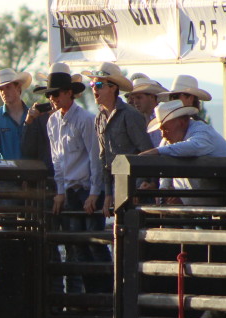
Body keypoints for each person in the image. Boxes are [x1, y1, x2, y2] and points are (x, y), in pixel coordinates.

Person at [44, 64, 107, 294]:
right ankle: (94, 296)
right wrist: (60, 191)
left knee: (95, 244)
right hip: (71, 191)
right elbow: (56, 160)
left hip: (86, 189)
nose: (53, 98)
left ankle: (105, 296)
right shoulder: (53, 122)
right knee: (79, 248)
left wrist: (94, 192)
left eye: (57, 93)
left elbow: (95, 157)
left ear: (69, 92)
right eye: (51, 95)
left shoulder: (86, 120)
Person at [139, 99, 226, 205]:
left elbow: (192, 146)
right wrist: (164, 193)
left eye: (166, 128)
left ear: (182, 122)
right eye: (161, 130)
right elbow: (166, 169)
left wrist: (156, 152)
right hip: (215, 199)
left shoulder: (201, 132)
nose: (163, 134)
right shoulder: (168, 142)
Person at [83, 62, 150, 217]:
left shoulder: (130, 115)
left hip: (136, 187)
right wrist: (108, 194)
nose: (94, 88)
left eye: (99, 84)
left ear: (113, 88)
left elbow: (146, 151)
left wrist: (143, 184)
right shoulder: (99, 118)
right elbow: (104, 158)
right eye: (92, 84)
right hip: (116, 186)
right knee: (120, 233)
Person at [0, 68, 32, 161]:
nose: (4, 92)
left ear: (18, 87)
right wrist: (1, 169)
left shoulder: (33, 115)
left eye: (8, 87)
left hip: (32, 172)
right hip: (6, 173)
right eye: (0, 89)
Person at [125, 73, 167, 148]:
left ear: (151, 96)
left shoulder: (163, 118)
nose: (135, 102)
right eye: (133, 98)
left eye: (139, 97)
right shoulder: (137, 119)